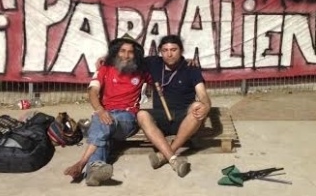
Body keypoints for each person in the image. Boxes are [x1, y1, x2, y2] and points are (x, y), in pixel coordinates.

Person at [64, 35, 150, 186]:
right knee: (100, 119)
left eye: (130, 52)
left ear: (135, 54)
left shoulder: (142, 71)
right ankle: (93, 171)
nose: (126, 55)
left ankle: (81, 162)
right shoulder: (104, 69)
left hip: (128, 118)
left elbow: (164, 65)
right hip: (106, 117)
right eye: (122, 51)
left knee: (101, 121)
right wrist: (100, 110)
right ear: (116, 52)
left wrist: (185, 63)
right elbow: (92, 92)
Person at [137, 34, 212, 178]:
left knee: (197, 106)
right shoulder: (153, 63)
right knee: (141, 114)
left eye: (173, 49)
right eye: (165, 50)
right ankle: (172, 158)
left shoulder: (191, 68)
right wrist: (105, 59)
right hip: (161, 118)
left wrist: (206, 106)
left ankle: (165, 155)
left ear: (181, 51)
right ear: (160, 51)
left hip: (184, 120)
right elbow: (128, 58)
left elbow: (202, 94)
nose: (169, 54)